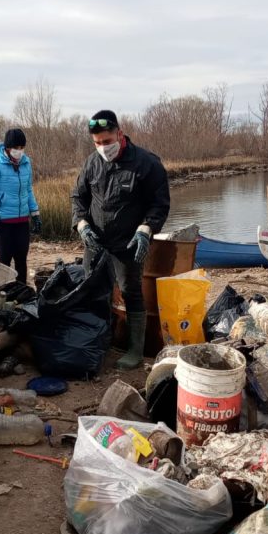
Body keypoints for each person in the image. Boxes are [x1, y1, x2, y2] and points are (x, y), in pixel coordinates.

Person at [72, 110, 170, 371]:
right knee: (93, 289)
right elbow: (78, 199)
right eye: (98, 143)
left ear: (119, 133)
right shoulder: (92, 164)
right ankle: (101, 340)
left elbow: (159, 204)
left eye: (107, 141)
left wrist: (146, 229)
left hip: (128, 240)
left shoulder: (146, 163)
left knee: (130, 291)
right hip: (96, 240)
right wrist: (81, 225)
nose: (103, 147)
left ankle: (135, 350)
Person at [0, 127, 40, 284]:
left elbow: (28, 190)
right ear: (7, 147)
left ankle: (21, 293)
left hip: (21, 221)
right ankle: (2, 294)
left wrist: (35, 213)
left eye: (22, 148)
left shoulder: (26, 163)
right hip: (2, 223)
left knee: (21, 260)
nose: (19, 151)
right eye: (15, 148)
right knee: (4, 261)